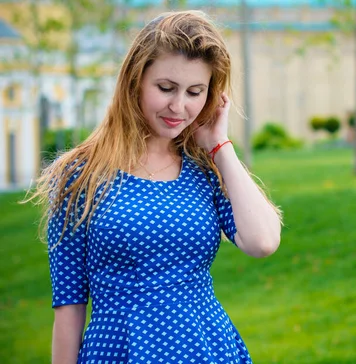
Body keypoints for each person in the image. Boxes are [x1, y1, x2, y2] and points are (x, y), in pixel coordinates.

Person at [28, 10, 282, 364]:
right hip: (119, 350)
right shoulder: (78, 175)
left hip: (207, 348)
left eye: (195, 92)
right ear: (135, 80)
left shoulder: (206, 169)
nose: (179, 106)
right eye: (165, 88)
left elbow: (263, 241)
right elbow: (69, 306)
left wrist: (219, 146)